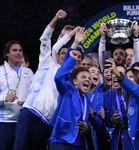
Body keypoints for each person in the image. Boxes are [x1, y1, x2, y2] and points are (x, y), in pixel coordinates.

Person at [13, 10, 82, 150]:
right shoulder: (47, 63)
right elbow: (45, 39)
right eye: (63, 53)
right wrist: (58, 20)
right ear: (56, 56)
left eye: (68, 54)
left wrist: (66, 38)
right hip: (30, 113)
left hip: (47, 122)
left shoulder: (71, 79)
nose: (65, 56)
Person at [49, 27, 91, 150]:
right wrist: (75, 44)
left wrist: (87, 127)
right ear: (74, 81)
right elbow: (59, 77)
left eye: (89, 78)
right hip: (61, 142)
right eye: (83, 77)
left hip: (79, 144)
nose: (87, 79)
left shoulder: (86, 98)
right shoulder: (67, 89)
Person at [0, 40, 33, 150]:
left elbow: (35, 94)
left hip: (24, 122)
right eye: (14, 50)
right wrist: (4, 98)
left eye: (20, 50)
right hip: (4, 122)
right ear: (7, 54)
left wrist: (29, 101)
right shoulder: (0, 72)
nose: (18, 53)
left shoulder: (29, 72)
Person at [85, 66, 105, 150]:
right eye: (93, 71)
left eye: (98, 72)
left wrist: (94, 117)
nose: (96, 73)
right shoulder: (80, 92)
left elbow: (98, 124)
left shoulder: (100, 97)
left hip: (92, 139)